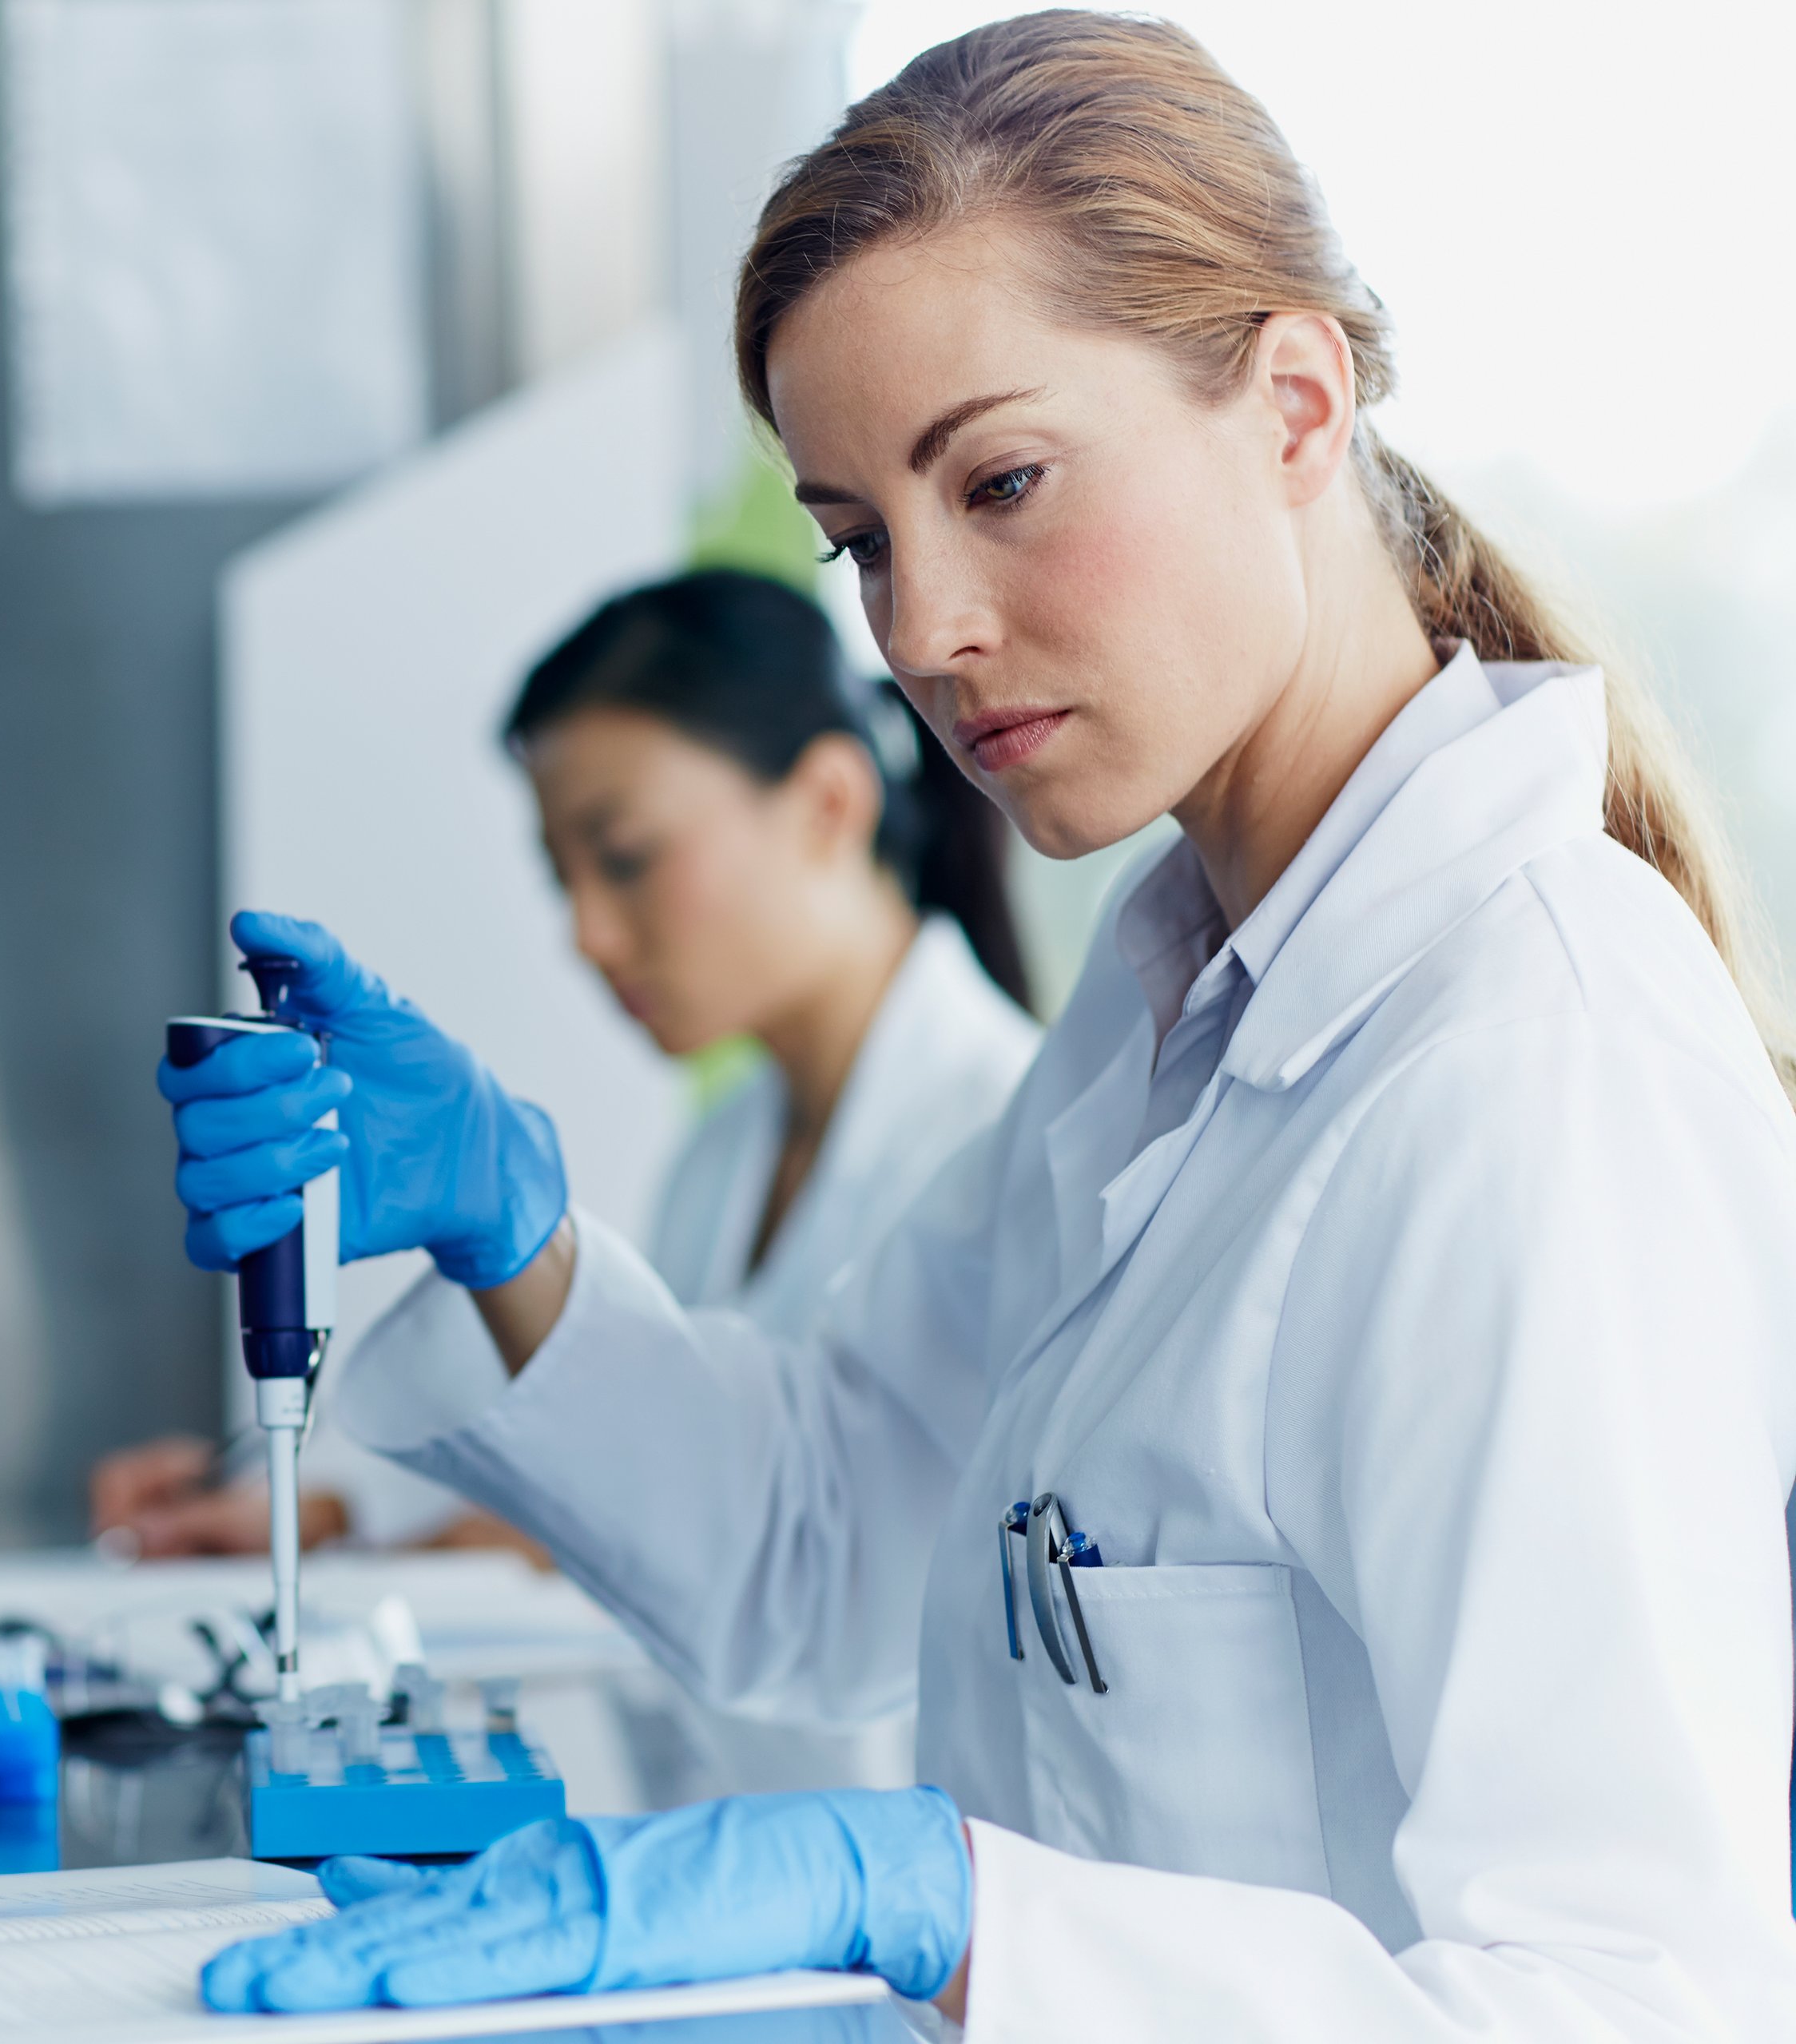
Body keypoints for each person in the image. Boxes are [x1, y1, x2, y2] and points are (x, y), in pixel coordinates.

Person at [158, 13, 1796, 2037]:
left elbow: (1636, 1997)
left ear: (1295, 405)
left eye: (1001, 481)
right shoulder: (1172, 1000)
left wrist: (949, 1906)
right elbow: (824, 1537)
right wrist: (517, 1232)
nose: (920, 627)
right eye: (859, 539)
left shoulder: (1534, 1066)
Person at [98, 573, 1039, 1670]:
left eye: (626, 857)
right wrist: (334, 1509)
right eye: (564, 881)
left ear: (831, 803)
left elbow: (840, 1574)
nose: (588, 935)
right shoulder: (727, 1152)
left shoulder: (1001, 1132)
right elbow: (692, 1503)